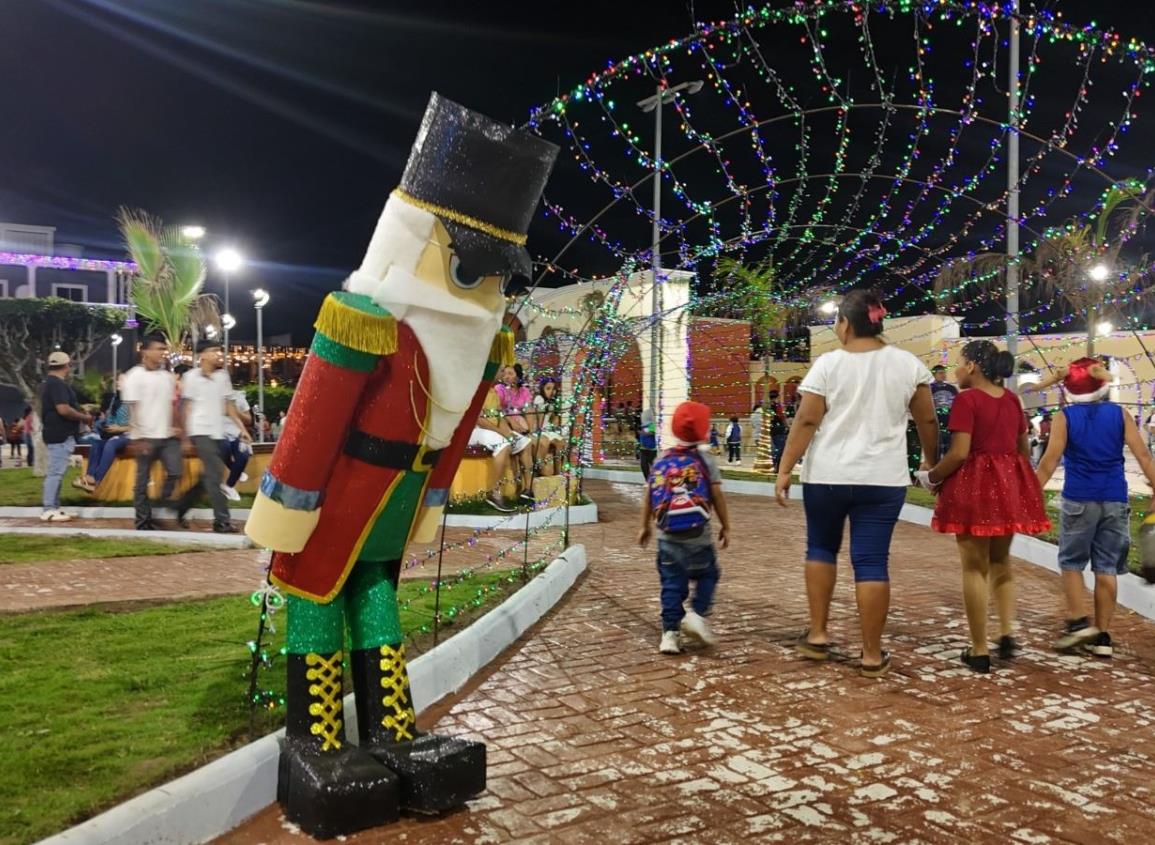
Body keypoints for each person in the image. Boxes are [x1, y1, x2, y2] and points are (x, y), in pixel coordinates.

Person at [774, 290, 939, 678]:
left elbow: (807, 420)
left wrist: (785, 469)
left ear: (845, 324)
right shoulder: (908, 364)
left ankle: (817, 634)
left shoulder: (827, 365)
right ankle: (870, 654)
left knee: (820, 548)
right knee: (871, 562)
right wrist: (932, 465)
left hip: (827, 476)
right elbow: (927, 421)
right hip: (882, 480)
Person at [924, 340, 1050, 673]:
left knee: (973, 567)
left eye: (958, 362)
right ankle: (1007, 632)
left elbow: (960, 452)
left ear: (972, 367)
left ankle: (979, 649)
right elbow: (1022, 450)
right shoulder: (1012, 400)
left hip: (973, 487)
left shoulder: (966, 400)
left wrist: (932, 476)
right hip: (1007, 487)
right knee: (1001, 562)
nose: (954, 369)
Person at [1034, 358, 1155, 658]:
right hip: (1114, 498)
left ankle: (1078, 624)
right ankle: (1102, 636)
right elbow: (1142, 455)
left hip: (1078, 499)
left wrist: (1028, 493)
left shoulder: (1065, 417)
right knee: (1106, 569)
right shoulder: (1119, 414)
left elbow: (1049, 463)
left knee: (1072, 564)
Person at [638, 401, 731, 654]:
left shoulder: (662, 459)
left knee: (672, 585)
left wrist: (644, 526)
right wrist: (726, 525)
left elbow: (649, 495)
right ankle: (697, 615)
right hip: (698, 535)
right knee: (709, 574)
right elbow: (717, 495)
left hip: (666, 536)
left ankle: (670, 634)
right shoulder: (705, 460)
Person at [175, 339, 250, 532]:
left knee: (208, 476)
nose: (219, 355)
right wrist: (184, 437)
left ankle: (181, 506)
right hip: (200, 431)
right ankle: (222, 522)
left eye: (220, 351)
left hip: (218, 432)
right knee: (215, 476)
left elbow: (230, 407)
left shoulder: (223, 377)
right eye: (214, 351)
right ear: (202, 355)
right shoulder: (190, 377)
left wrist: (242, 428)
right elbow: (185, 408)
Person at [123, 335, 183, 531]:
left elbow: (172, 405)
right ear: (145, 351)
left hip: (167, 435)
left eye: (163, 349)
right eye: (158, 349)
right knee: (141, 481)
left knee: (175, 471)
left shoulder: (166, 377)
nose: (161, 353)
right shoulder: (134, 376)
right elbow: (133, 409)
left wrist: (177, 427)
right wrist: (138, 437)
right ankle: (142, 521)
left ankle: (157, 508)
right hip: (145, 436)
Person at [37, 352, 93, 521]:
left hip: (55, 433)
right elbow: (63, 409)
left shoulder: (49, 383)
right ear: (67, 366)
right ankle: (48, 509)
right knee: (55, 473)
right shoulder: (57, 385)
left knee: (57, 472)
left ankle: (54, 507)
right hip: (60, 434)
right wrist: (85, 418)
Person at [75, 374, 131, 492]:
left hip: (128, 434)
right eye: (117, 380)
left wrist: (120, 429)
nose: (117, 383)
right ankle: (90, 477)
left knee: (110, 443)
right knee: (96, 443)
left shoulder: (134, 401)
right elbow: (110, 419)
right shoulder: (115, 399)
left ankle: (97, 480)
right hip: (113, 433)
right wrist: (104, 426)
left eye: (121, 381)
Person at [219, 388, 253, 502]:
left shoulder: (238, 396)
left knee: (243, 456)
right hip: (220, 434)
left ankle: (229, 486)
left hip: (237, 433)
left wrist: (235, 411)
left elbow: (249, 420)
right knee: (224, 448)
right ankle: (236, 471)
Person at [532, 378, 566, 477]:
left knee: (561, 442)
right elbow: (539, 419)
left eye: (553, 389)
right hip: (539, 429)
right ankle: (539, 470)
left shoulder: (552, 401)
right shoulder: (539, 399)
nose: (551, 391)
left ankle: (558, 472)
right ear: (542, 388)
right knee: (545, 442)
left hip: (547, 429)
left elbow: (554, 420)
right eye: (548, 388)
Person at [494, 364, 532, 434]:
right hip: (503, 420)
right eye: (504, 374)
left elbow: (529, 412)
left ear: (518, 376)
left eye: (510, 373)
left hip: (520, 420)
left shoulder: (524, 391)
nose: (506, 377)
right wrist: (511, 421)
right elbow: (497, 408)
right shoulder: (499, 388)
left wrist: (532, 431)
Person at [766, 390, 788, 470]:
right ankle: (776, 464)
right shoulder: (777, 406)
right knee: (780, 448)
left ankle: (776, 464)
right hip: (779, 429)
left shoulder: (767, 407)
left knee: (776, 447)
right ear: (777, 397)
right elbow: (782, 417)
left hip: (772, 429)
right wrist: (787, 426)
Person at [638, 408, 658, 478]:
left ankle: (656, 480)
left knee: (654, 467)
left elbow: (651, 433)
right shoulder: (643, 426)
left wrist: (643, 433)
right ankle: (648, 480)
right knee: (644, 466)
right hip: (643, 449)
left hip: (651, 450)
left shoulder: (652, 425)